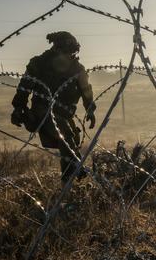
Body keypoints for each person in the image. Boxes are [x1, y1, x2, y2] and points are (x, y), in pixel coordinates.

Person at [11, 31, 96, 183]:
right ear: (56, 48)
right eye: (66, 50)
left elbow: (86, 89)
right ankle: (74, 172)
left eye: (72, 52)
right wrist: (18, 107)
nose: (69, 55)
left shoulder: (76, 68)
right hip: (43, 110)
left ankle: (68, 185)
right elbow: (24, 87)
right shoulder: (39, 63)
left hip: (65, 113)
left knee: (71, 142)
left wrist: (90, 108)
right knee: (65, 135)